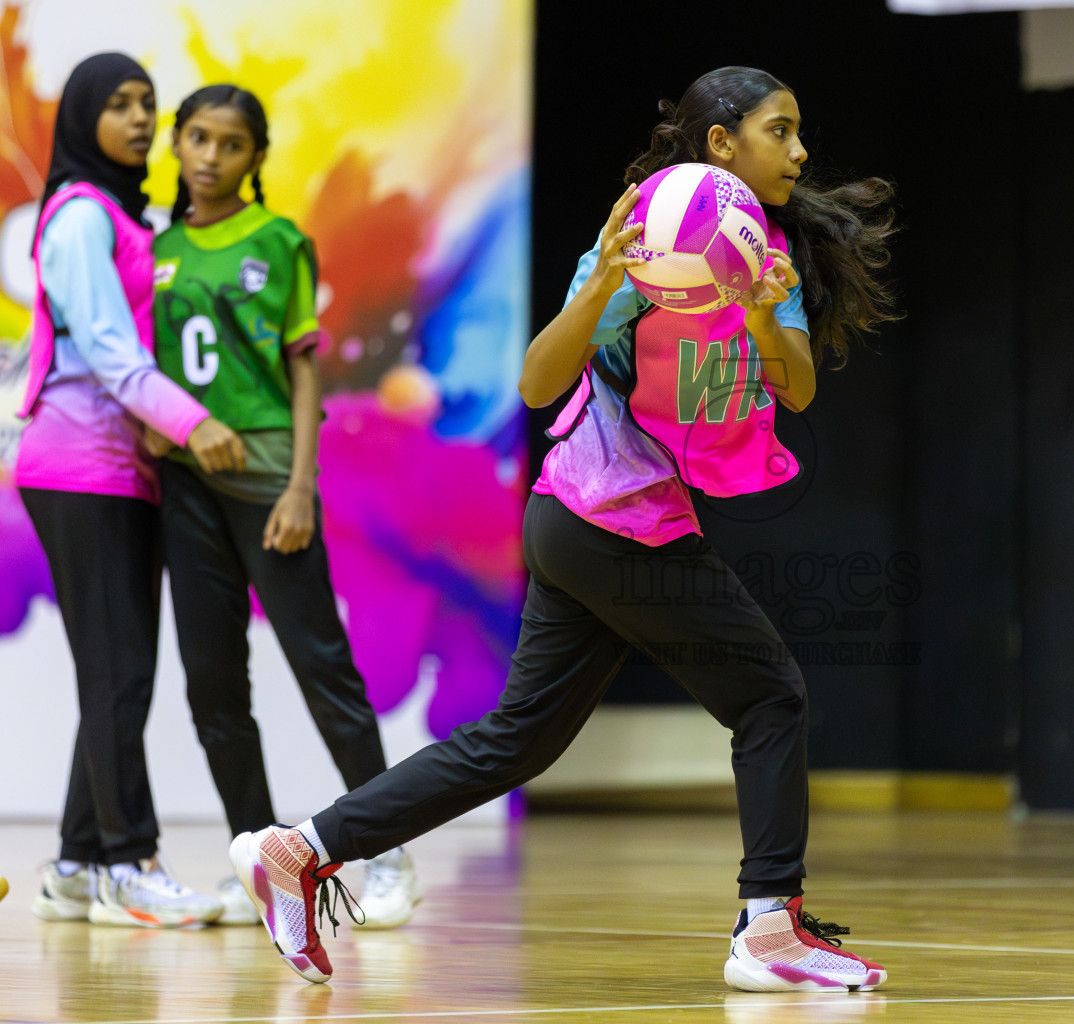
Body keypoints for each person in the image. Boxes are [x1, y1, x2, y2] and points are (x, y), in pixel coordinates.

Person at [230, 65, 898, 990]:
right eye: (780, 131)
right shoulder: (639, 239)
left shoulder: (759, 246)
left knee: (517, 740)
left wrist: (762, 309)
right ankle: (768, 928)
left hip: (580, 520)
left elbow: (796, 388)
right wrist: (600, 288)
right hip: (608, 519)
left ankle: (299, 851)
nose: (800, 150)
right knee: (770, 695)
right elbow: (539, 384)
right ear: (721, 143)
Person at [146, 85, 422, 928]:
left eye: (231, 144)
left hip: (269, 482)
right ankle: (257, 854)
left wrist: (301, 485)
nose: (209, 157)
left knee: (322, 668)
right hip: (184, 487)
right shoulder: (154, 250)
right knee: (211, 682)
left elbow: (306, 373)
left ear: (255, 157)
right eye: (197, 137)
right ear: (178, 141)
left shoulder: (279, 241)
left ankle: (386, 853)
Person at [17, 52, 242, 928]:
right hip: (80, 467)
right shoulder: (77, 217)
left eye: (149, 103)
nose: (142, 118)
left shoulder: (124, 214)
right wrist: (195, 423)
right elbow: (109, 352)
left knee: (119, 673)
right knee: (119, 675)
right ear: (82, 118)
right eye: (119, 104)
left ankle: (77, 863)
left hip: (124, 470)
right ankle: (128, 865)